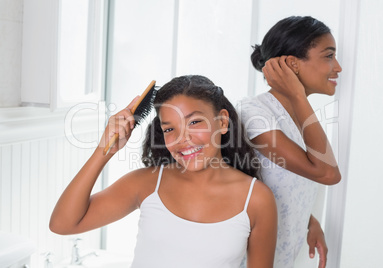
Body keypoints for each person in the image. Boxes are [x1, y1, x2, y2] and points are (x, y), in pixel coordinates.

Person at [49, 75, 278, 268]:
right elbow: (63, 224)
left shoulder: (257, 199)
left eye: (195, 122)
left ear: (222, 122)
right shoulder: (147, 183)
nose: (183, 139)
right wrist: (104, 150)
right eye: (170, 128)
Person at [238, 16, 342, 268]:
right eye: (328, 56)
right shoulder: (254, 114)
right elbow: (327, 173)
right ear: (292, 64)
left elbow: (278, 185)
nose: (338, 67)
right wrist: (297, 93)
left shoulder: (298, 119)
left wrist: (308, 220)